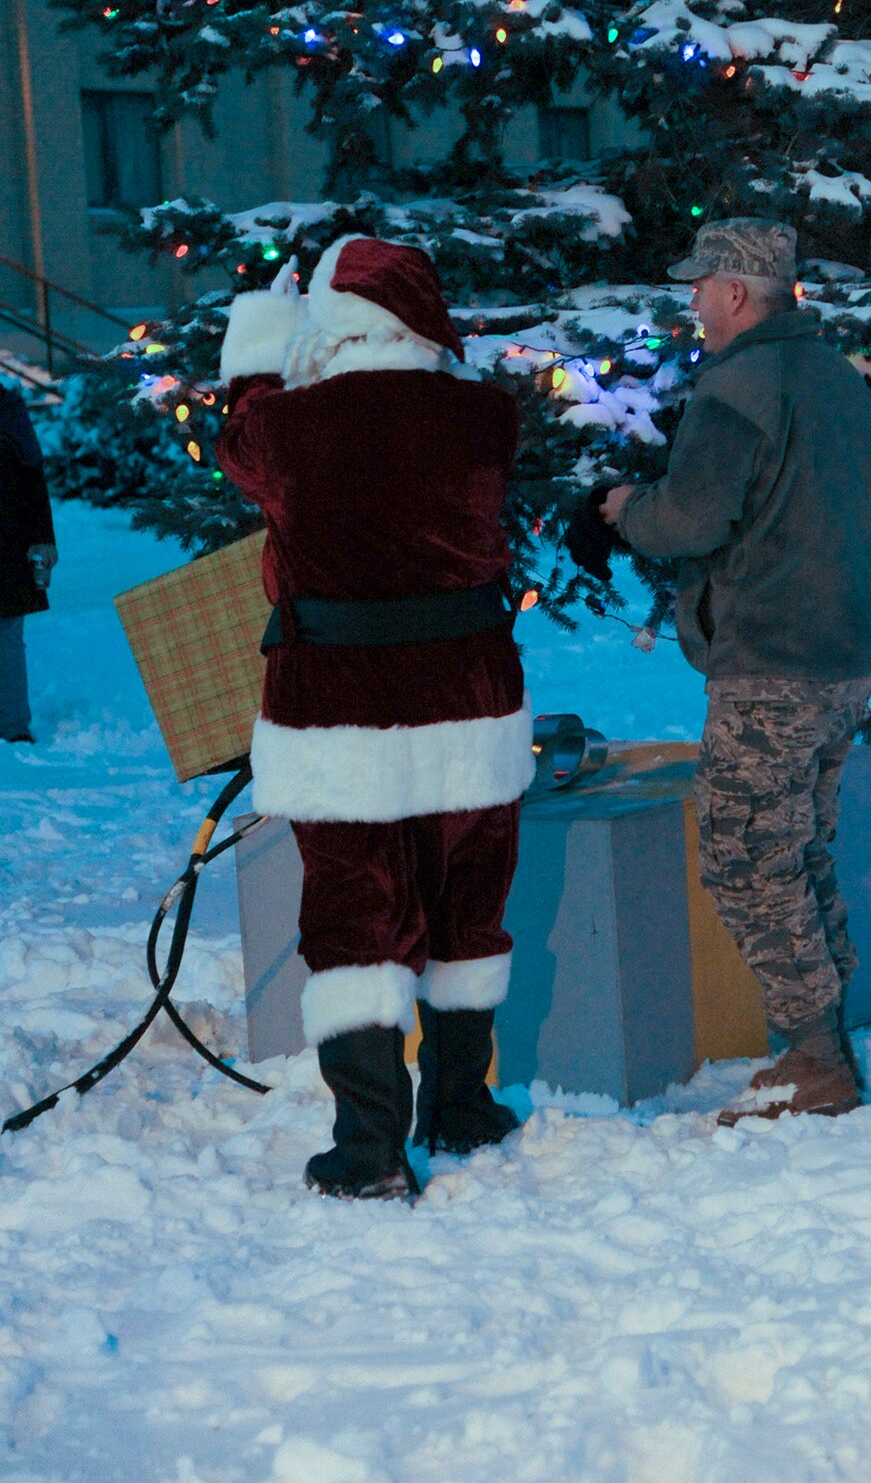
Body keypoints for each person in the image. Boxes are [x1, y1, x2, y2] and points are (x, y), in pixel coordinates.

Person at [217, 237, 535, 1199]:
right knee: (464, 901)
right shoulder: (485, 415)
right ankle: (461, 1108)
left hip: (339, 705)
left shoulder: (287, 426)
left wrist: (260, 349)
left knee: (357, 911)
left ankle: (368, 1152)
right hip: (468, 697)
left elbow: (237, 441)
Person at [596, 219, 871, 1123]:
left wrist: (623, 510)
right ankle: (822, 1038)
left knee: (744, 860)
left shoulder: (739, 386)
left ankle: (814, 1058)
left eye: (698, 286)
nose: (690, 303)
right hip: (841, 655)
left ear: (734, 293)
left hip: (771, 661)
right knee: (796, 848)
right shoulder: (837, 378)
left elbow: (689, 519)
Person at [0, 383, 56, 745]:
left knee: (7, 636)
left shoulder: (8, 410)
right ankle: (13, 722)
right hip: (11, 536)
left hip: (9, 537)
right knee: (8, 637)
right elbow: (32, 475)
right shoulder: (9, 409)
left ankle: (13, 722)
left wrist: (42, 538)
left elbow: (31, 478)